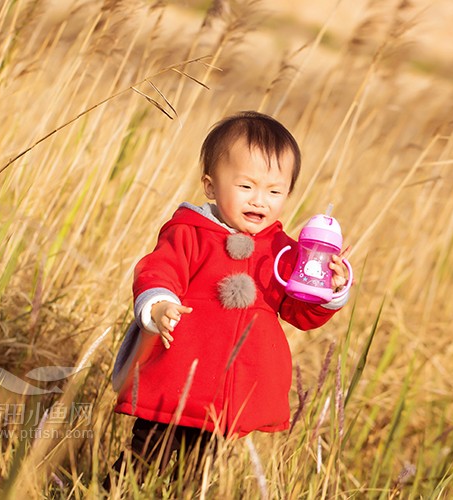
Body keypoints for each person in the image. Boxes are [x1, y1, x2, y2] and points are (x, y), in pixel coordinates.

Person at [104, 111, 351, 489]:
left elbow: (298, 312)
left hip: (227, 392)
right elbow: (158, 270)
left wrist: (328, 290)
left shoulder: (282, 252)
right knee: (144, 455)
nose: (260, 201)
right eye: (246, 186)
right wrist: (159, 305)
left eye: (274, 191)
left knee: (195, 471)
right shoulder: (190, 233)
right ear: (210, 185)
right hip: (177, 373)